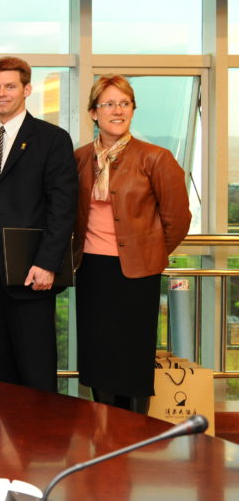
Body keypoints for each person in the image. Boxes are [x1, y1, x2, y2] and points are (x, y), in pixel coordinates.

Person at [74, 75, 190, 413]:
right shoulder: (81, 158)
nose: (117, 110)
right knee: (99, 355)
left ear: (133, 110)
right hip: (92, 269)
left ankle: (133, 431)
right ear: (93, 113)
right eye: (108, 103)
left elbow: (177, 219)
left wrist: (150, 251)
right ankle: (103, 427)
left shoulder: (156, 157)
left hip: (136, 273)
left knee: (131, 357)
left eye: (124, 103)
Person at [0, 57, 77, 393]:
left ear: (27, 90)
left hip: (30, 270)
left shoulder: (51, 139)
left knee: (34, 364)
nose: (1, 94)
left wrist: (47, 263)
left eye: (10, 86)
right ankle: (3, 440)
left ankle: (42, 442)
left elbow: (63, 207)